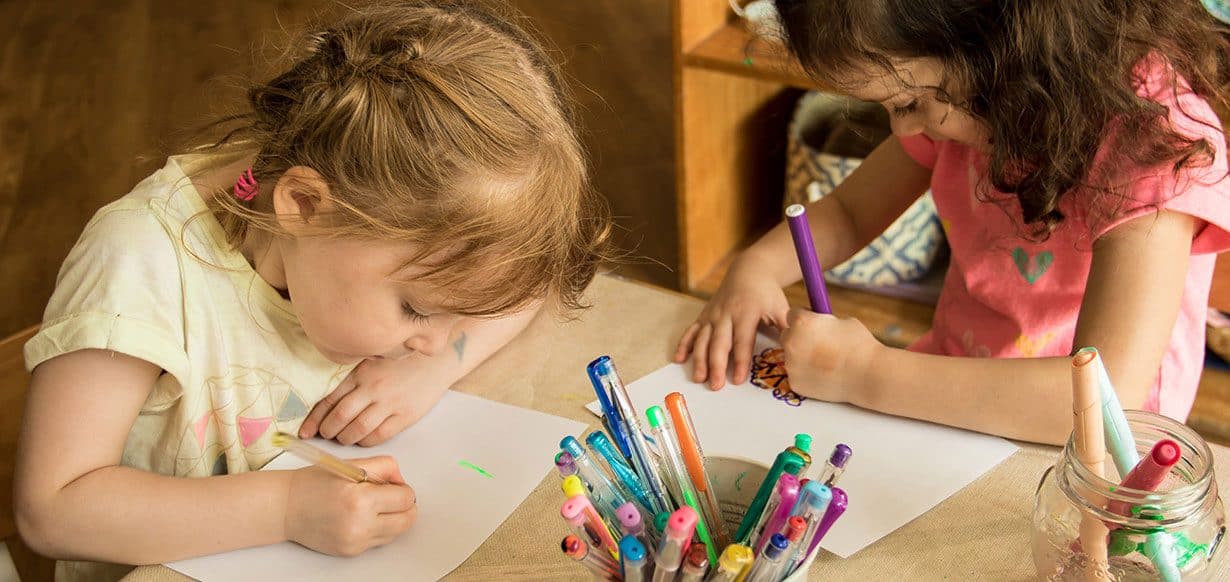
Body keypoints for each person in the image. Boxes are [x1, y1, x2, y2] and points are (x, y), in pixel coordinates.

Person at [14, 2, 610, 579]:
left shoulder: (348, 231)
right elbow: (53, 508)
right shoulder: (138, 264)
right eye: (417, 310)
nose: (428, 342)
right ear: (301, 205)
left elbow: (520, 291)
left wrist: (434, 369)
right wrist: (285, 508)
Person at [677, 0, 1230, 444]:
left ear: (995, 44)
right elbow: (847, 214)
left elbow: (1099, 398)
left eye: (908, 103)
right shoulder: (965, 84)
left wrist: (865, 373)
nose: (903, 128)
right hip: (945, 398)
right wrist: (757, 267)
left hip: (1102, 458)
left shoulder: (1157, 147)